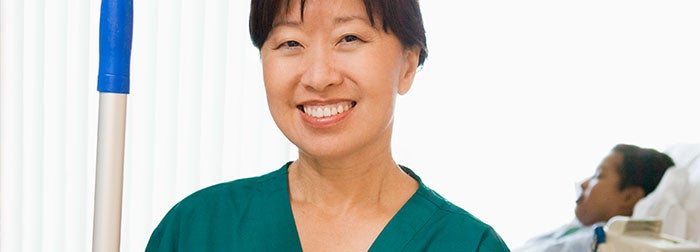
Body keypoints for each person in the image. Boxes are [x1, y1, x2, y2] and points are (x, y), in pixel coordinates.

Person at [145, 0, 510, 251]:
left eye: (349, 38)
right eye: (290, 42)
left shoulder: (465, 244)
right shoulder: (198, 229)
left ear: (408, 64)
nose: (319, 77)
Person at [513, 144, 675, 252]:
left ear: (629, 197)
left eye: (598, 176)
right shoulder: (572, 231)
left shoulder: (599, 244)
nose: (583, 184)